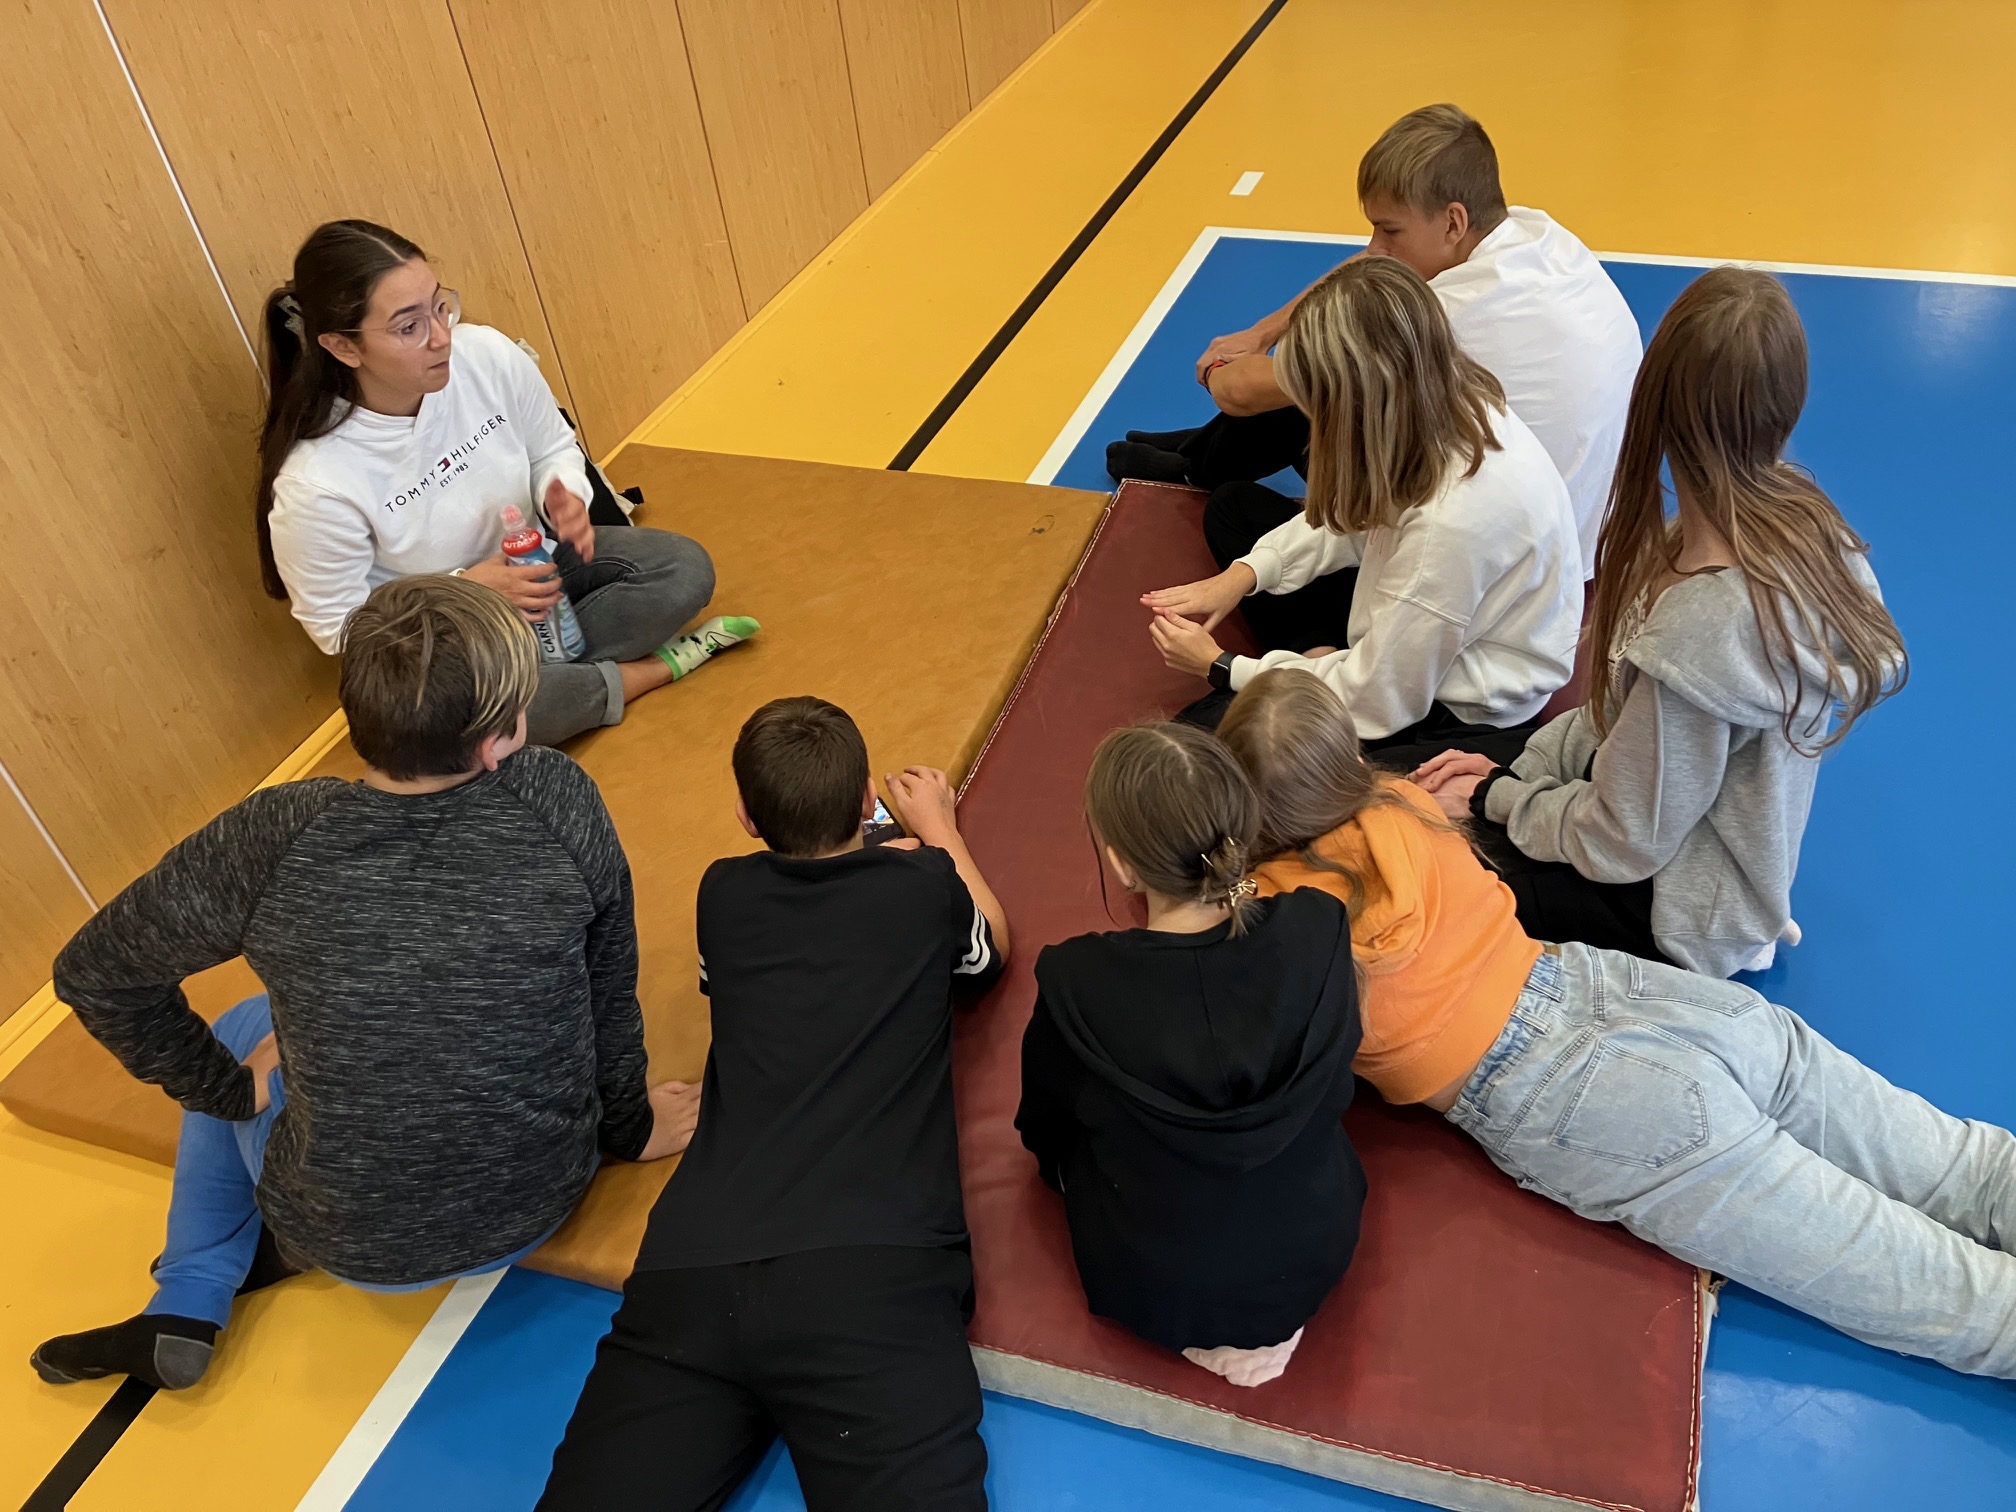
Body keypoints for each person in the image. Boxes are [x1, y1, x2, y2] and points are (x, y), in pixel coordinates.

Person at [1219, 667, 2016, 1382]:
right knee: (1966, 1166)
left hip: (1579, 1099)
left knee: (1947, 1297)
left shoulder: (1275, 916)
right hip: (1630, 990)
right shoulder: (1401, 801)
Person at [31, 576, 695, 1392]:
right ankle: (221, 1274)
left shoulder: (274, 832)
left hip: (349, 1242)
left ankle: (190, 1296)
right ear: (498, 742)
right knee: (259, 1027)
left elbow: (95, 974)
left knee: (244, 1026)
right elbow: (608, 987)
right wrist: (631, 1128)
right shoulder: (556, 796)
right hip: (541, 1202)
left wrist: (227, 1089)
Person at [540, 697, 1009, 1511]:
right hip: (870, 1268)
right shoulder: (925, 885)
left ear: (745, 818)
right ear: (867, 798)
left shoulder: (722, 894)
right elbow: (989, 951)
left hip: (696, 1266)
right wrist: (938, 829)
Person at [1411, 268, 1907, 975]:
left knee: (1427, 888)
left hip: (1672, 911)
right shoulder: (1797, 521)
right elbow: (1618, 723)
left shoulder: (1705, 628)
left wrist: (1498, 796)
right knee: (1441, 778)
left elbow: (1623, 843)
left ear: (1656, 400)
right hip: (1662, 837)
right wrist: (1523, 772)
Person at [258, 218, 757, 748]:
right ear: (343, 346)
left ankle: (534, 687)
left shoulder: (488, 355)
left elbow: (553, 449)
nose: (441, 337)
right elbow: (339, 629)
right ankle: (649, 670)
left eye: (439, 306)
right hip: (445, 639)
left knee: (682, 569)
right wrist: (465, 589)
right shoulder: (316, 482)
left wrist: (561, 493)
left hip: (539, 571)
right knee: (453, 716)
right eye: (409, 327)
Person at [1109, 103, 1640, 579]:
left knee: (1241, 498)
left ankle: (1200, 467)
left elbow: (1241, 393)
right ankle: (1198, 455)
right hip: (1587, 525)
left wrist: (1217, 367)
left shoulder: (1448, 315)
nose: (1374, 244)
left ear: (1452, 221)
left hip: (1500, 566)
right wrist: (1262, 332)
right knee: (1332, 354)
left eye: (1390, 230)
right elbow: (1372, 270)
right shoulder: (1534, 233)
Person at [1015, 722, 1362, 1389]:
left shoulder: (1077, 982)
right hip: (1314, 1247)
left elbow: (1044, 1125)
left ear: (1121, 864)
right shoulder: (1319, 927)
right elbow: (1338, 1080)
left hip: (1155, 1285)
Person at [1142, 255, 1581, 765]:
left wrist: (1222, 667)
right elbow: (1359, 520)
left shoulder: (1450, 526)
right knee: (1233, 509)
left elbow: (1379, 700)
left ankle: (1321, 666)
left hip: (1452, 708)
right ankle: (1320, 655)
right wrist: (1244, 575)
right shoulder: (1449, 402)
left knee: (1197, 742)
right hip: (1424, 629)